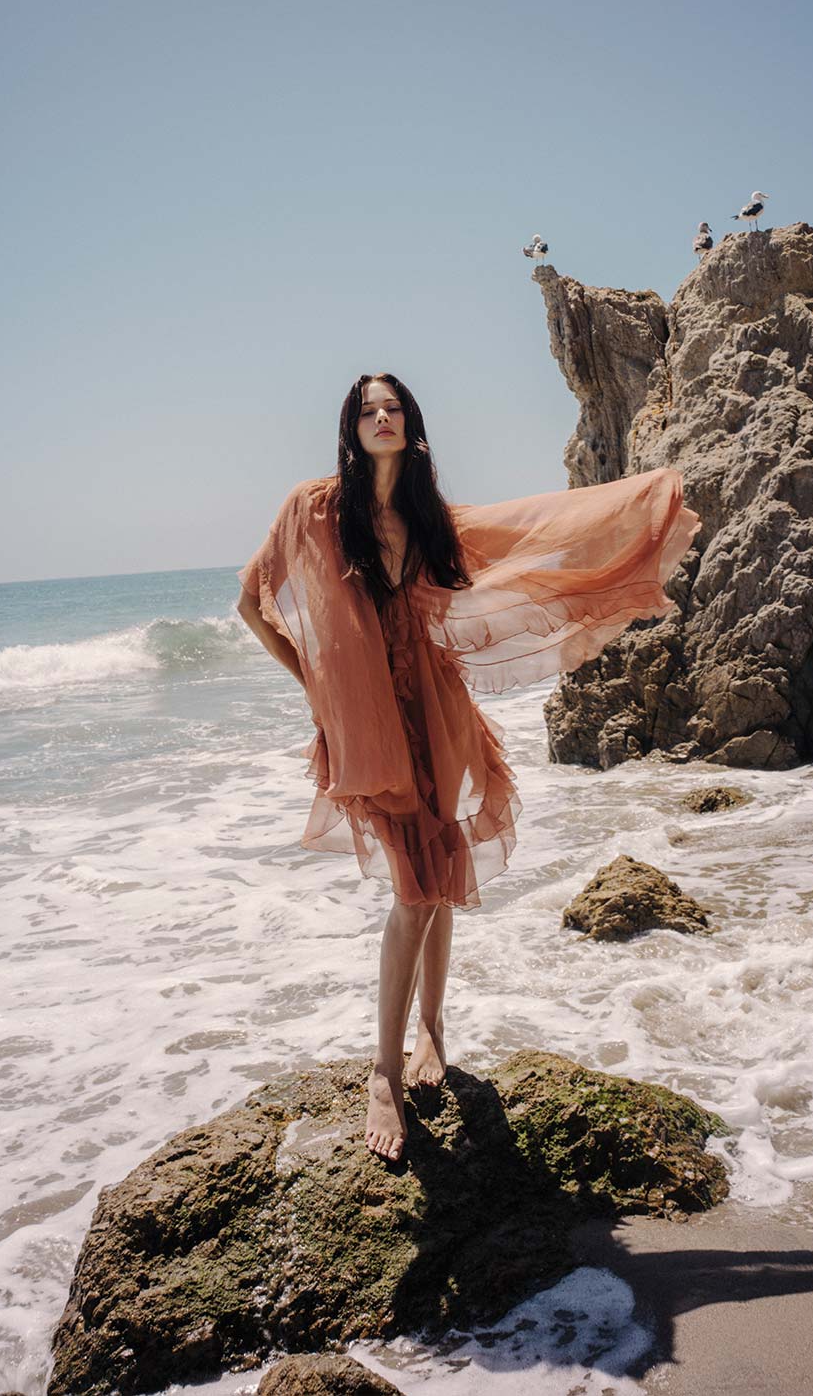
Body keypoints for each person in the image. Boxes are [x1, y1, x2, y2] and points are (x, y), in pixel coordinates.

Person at [235, 372, 700, 1161]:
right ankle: (384, 1073)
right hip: (368, 723)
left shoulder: (429, 518)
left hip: (435, 708)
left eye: (395, 408)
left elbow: (529, 534)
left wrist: (635, 512)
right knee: (416, 886)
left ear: (411, 428)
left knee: (440, 870)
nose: (382, 417)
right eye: (368, 410)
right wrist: (319, 685)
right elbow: (254, 604)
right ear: (350, 428)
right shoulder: (312, 509)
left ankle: (432, 1033)